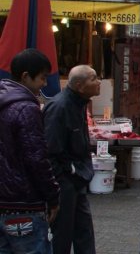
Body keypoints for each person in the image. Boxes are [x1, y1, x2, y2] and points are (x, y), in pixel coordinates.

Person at [0, 49, 60, 254]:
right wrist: (53, 196)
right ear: (26, 76)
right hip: (25, 204)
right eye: (42, 78)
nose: (44, 84)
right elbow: (37, 159)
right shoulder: (26, 108)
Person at [44, 64, 101, 254]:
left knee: (84, 231)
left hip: (77, 177)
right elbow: (50, 150)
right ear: (79, 85)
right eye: (93, 78)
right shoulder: (60, 107)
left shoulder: (79, 103)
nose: (98, 82)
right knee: (63, 234)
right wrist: (67, 174)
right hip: (65, 180)